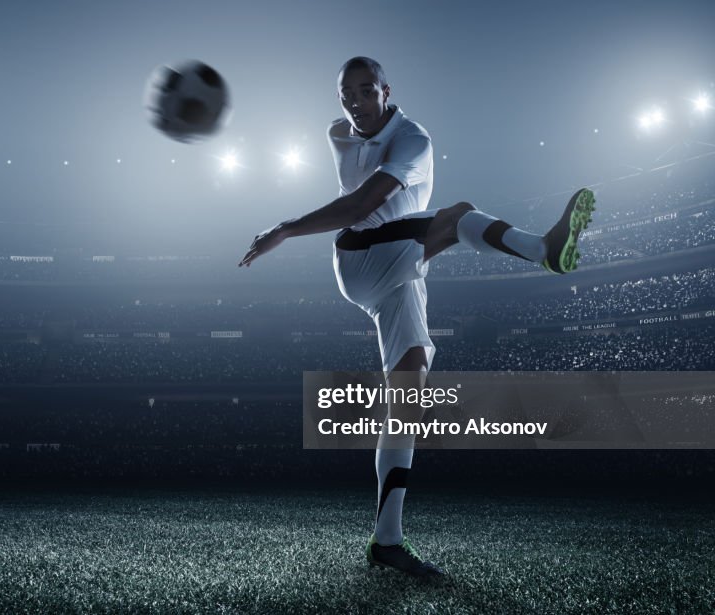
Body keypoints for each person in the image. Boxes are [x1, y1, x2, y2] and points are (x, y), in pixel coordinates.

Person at [238, 56, 595, 579]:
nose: (356, 104)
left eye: (365, 91)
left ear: (386, 90)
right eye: (347, 95)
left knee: (407, 397)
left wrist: (287, 227)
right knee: (457, 216)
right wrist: (288, 229)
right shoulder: (339, 130)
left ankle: (387, 541)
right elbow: (359, 212)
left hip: (400, 272)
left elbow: (366, 199)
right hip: (362, 256)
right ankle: (543, 248)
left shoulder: (413, 140)